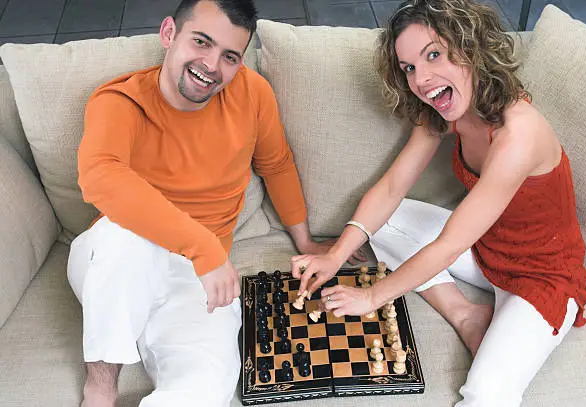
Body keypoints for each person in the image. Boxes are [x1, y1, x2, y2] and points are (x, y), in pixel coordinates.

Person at [291, 1, 586, 406]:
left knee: (485, 394)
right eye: (409, 67)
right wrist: (336, 254)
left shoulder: (519, 135)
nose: (422, 79)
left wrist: (374, 296)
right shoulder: (444, 109)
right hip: (486, 252)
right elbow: (394, 185)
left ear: (468, 47)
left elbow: (449, 243)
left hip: (542, 276)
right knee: (387, 217)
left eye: (433, 54)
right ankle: (466, 314)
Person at [67, 1, 364, 406]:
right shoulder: (120, 100)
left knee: (206, 389)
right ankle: (100, 389)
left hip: (199, 280)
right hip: (118, 263)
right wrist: (202, 247)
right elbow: (100, 177)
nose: (211, 65)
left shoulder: (253, 92)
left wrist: (307, 242)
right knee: (125, 239)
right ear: (169, 33)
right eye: (201, 42)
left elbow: (276, 165)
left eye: (229, 56)